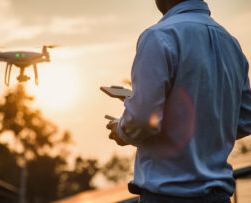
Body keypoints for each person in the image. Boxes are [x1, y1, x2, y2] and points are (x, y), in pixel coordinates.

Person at [106, 0, 251, 202]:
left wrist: (123, 130)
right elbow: (245, 120)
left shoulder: (159, 36)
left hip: (169, 196)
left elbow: (142, 119)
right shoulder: (231, 43)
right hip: (219, 197)